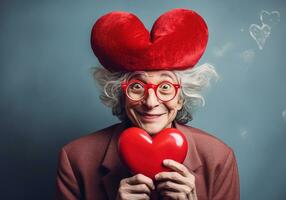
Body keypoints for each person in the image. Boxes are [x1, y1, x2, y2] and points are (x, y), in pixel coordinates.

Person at [56, 8, 240, 200]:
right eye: (136, 86)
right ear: (121, 93)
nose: (151, 102)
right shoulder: (75, 158)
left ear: (181, 97)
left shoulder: (219, 159)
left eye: (166, 87)